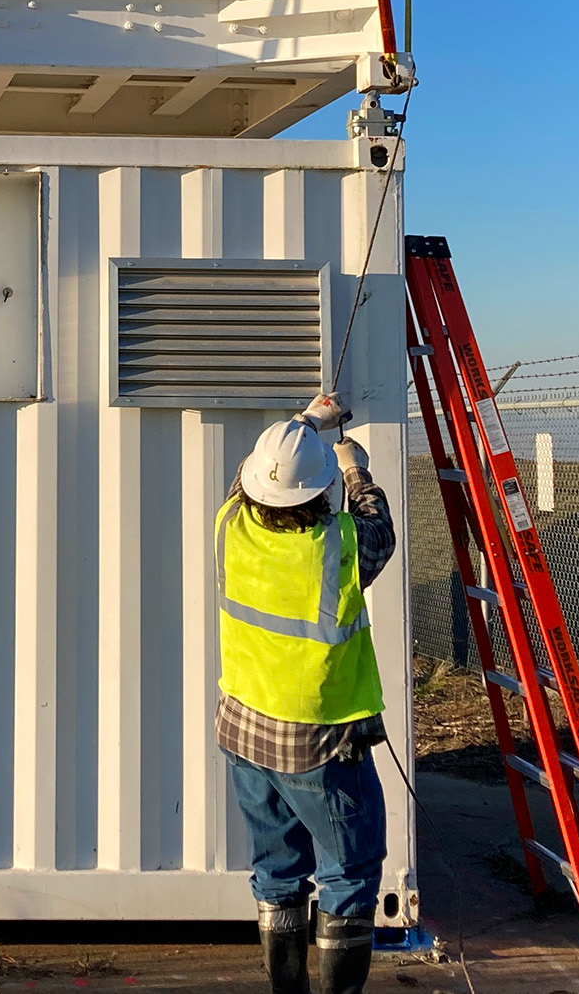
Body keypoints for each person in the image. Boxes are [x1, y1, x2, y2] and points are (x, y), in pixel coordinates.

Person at [216, 411, 396, 994]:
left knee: (277, 874)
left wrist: (303, 423)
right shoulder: (339, 546)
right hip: (319, 743)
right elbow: (379, 529)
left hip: (245, 732)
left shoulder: (229, 525)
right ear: (320, 490)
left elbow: (253, 482)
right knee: (350, 874)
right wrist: (356, 469)